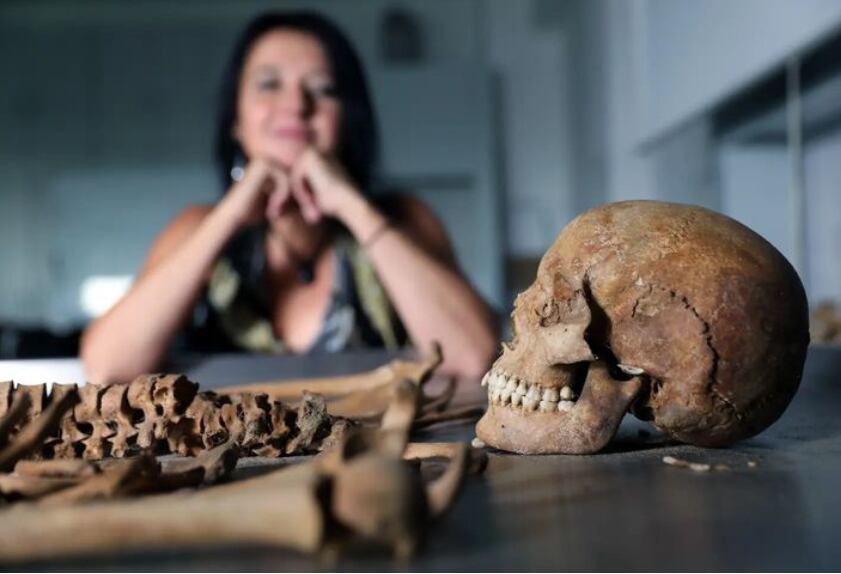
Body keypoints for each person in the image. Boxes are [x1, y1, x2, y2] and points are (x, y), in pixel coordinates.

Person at [80, 11, 498, 384]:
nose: (297, 104)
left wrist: (353, 206)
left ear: (348, 118)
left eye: (322, 89)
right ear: (236, 121)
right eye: (269, 84)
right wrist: (230, 213)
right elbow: (107, 366)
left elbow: (473, 357)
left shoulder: (405, 218)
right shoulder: (197, 228)